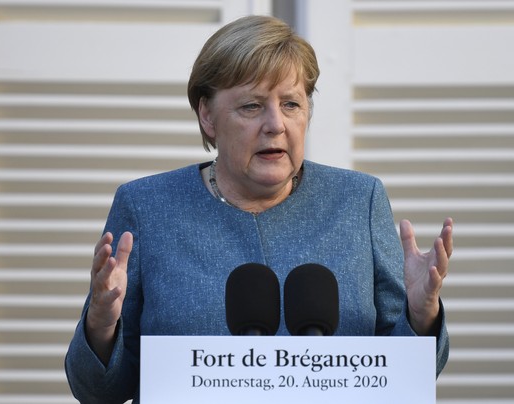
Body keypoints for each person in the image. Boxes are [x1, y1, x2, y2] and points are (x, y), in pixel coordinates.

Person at [65, 14, 453, 404]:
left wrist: (421, 317)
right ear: (207, 116)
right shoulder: (146, 207)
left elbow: (400, 379)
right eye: (251, 106)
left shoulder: (358, 200)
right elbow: (99, 393)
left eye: (291, 104)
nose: (275, 124)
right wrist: (100, 323)